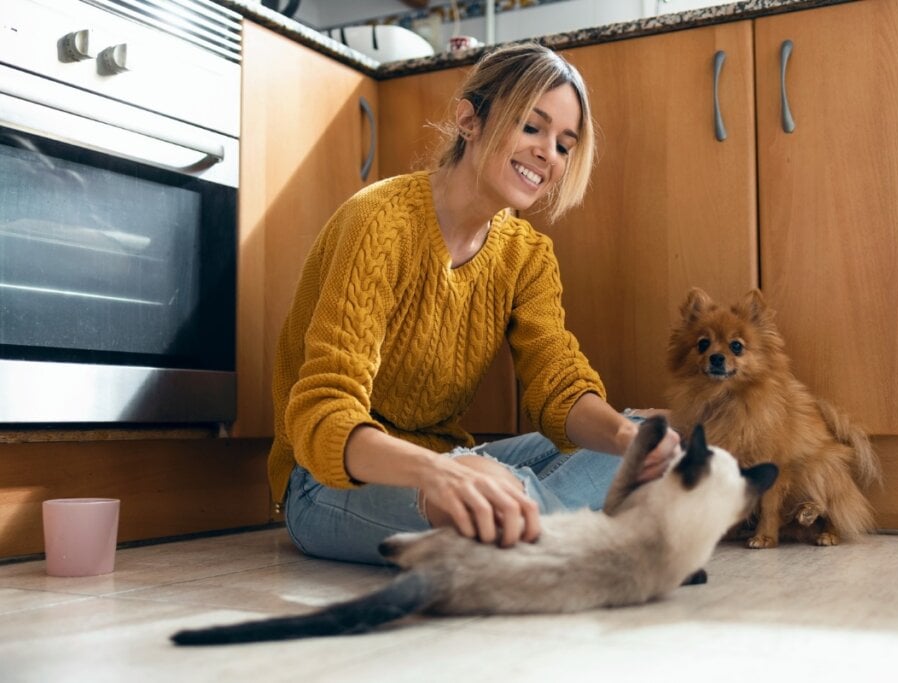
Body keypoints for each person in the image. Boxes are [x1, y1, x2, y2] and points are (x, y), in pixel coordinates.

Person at [268, 42, 680, 565]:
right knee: (498, 493)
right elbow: (322, 413)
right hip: (328, 483)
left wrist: (626, 436)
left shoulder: (527, 255)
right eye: (532, 127)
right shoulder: (378, 223)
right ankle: (575, 531)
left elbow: (558, 387)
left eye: (564, 144)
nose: (547, 155)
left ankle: (533, 518)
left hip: (450, 464)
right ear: (469, 119)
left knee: (644, 436)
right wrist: (439, 474)